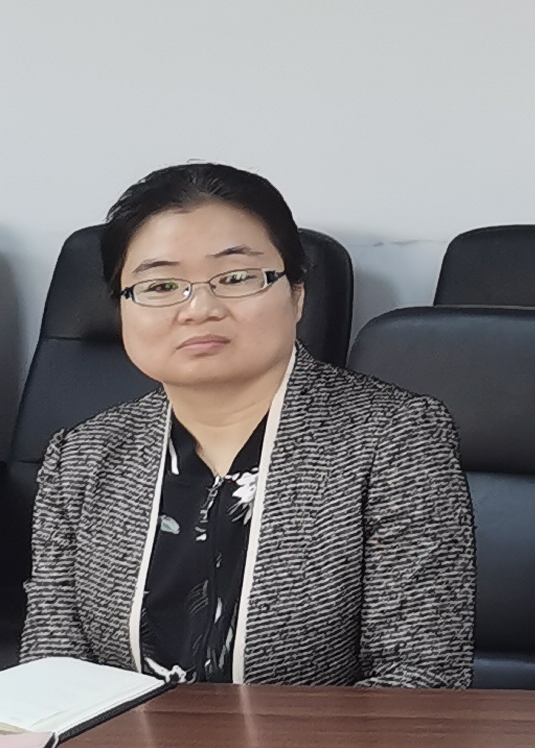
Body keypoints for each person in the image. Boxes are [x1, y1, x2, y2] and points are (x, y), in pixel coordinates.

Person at [20, 162, 474, 689]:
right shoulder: (82, 455)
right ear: (122, 308)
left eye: (235, 278)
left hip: (316, 745)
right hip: (118, 744)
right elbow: (52, 677)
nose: (199, 309)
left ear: (297, 294)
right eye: (161, 285)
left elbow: (421, 679)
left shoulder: (396, 438)